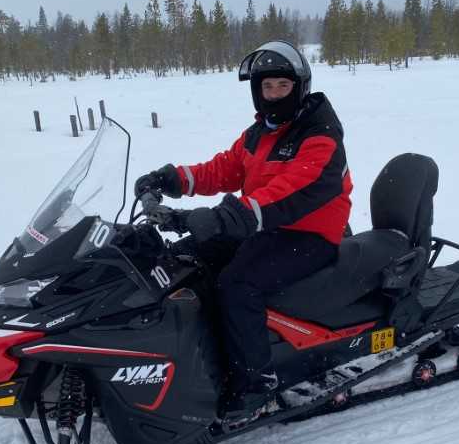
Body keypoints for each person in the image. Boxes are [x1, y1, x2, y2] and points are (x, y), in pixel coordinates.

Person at [134, 40, 352, 420]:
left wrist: (224, 218)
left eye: (282, 86)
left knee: (237, 284)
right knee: (184, 261)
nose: (273, 95)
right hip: (261, 224)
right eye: (266, 87)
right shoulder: (260, 133)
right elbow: (223, 170)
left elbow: (287, 194)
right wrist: (170, 179)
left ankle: (255, 384)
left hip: (309, 234)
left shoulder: (319, 136)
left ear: (299, 87)